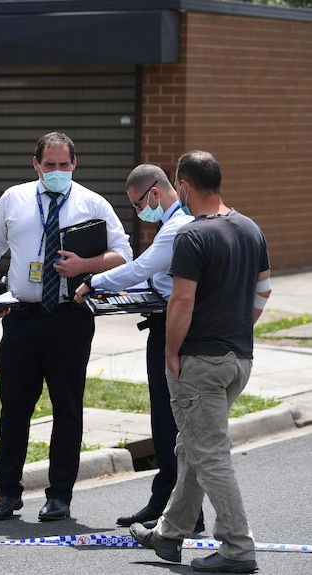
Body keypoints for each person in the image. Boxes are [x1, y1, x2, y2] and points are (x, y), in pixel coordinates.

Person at [0, 131, 132, 522]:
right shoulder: (14, 198)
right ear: (36, 165)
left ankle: (59, 494)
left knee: (67, 408)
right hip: (22, 318)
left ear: (74, 165)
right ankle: (8, 493)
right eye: (50, 165)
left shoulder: (92, 203)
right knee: (15, 408)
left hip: (69, 317)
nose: (57, 171)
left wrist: (84, 266)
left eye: (64, 165)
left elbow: (123, 254)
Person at [130, 151, 270, 574]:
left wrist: (171, 351)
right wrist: (238, 327)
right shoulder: (250, 227)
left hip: (200, 361)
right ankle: (169, 535)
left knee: (209, 453)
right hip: (238, 359)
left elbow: (182, 300)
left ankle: (237, 548)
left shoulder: (192, 236)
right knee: (191, 444)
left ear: (185, 187)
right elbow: (263, 291)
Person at [72, 164, 201, 531]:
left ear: (155, 193)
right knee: (171, 422)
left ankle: (172, 507)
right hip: (170, 322)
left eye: (138, 204)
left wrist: (93, 282)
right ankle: (180, 506)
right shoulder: (181, 221)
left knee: (168, 421)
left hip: (171, 331)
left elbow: (140, 268)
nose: (139, 212)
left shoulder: (176, 227)